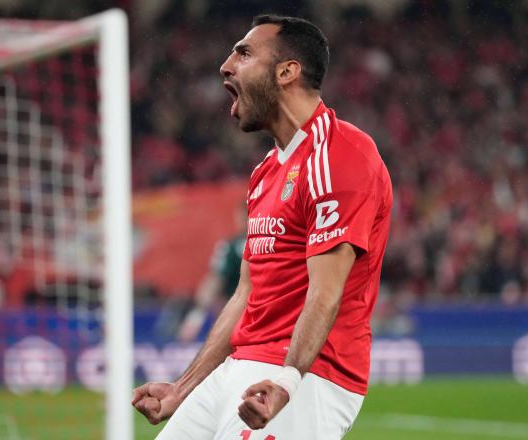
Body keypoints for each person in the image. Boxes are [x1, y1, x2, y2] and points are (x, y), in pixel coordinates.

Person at [132, 14, 392, 439]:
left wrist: (288, 383)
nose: (226, 64)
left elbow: (326, 292)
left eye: (245, 52)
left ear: (287, 71)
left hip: (305, 377)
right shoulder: (265, 173)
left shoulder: (339, 154)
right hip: (239, 366)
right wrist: (182, 388)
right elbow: (246, 294)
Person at [178, 202, 246, 342]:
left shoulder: (231, 246)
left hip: (237, 317)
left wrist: (196, 315)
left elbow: (215, 280)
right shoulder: (275, 242)